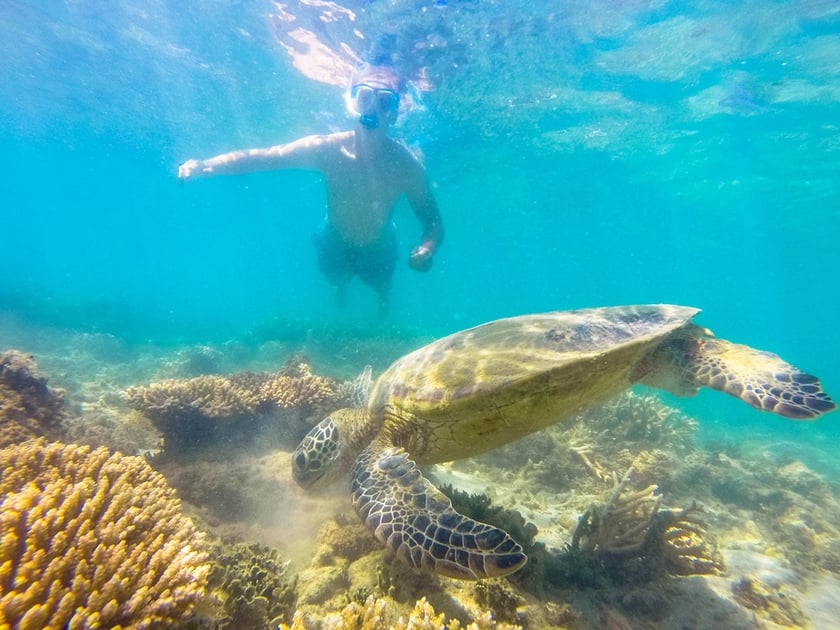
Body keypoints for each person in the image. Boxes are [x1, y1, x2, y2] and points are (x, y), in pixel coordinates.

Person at [178, 64, 443, 318]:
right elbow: (266, 157)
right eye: (364, 97)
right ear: (352, 103)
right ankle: (341, 287)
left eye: (385, 101)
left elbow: (433, 222)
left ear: (394, 113)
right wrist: (208, 165)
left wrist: (427, 248)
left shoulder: (407, 167)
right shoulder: (327, 149)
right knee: (335, 277)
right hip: (334, 239)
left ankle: (383, 299)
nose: (373, 108)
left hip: (379, 246)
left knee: (382, 285)